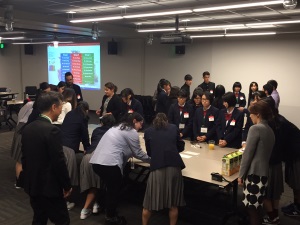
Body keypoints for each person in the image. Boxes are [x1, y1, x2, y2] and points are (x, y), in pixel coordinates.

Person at [90, 112, 151, 225]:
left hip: (97, 162)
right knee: (114, 191)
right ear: (134, 121)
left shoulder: (116, 127)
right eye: (140, 124)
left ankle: (103, 207)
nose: (141, 127)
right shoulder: (131, 132)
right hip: (110, 164)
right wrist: (152, 160)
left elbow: (122, 148)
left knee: (109, 187)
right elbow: (137, 152)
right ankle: (111, 217)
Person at [21, 91, 72, 225]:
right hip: (49, 188)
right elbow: (58, 162)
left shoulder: (28, 128)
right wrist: (67, 185)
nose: (61, 110)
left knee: (39, 219)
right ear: (54, 107)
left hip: (33, 185)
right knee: (62, 221)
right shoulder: (52, 131)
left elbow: (25, 159)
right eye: (61, 106)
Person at [142, 113, 185, 225]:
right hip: (174, 167)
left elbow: (149, 152)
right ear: (167, 121)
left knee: (149, 203)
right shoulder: (174, 128)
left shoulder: (148, 131)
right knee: (173, 203)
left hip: (157, 168)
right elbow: (180, 146)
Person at [238, 100, 275, 225]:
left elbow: (247, 154)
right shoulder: (269, 129)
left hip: (254, 174)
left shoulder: (255, 129)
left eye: (251, 113)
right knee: (257, 207)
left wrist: (241, 175)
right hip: (264, 173)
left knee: (252, 209)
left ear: (258, 114)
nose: (249, 116)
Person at [80, 114, 116, 220]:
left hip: (87, 157)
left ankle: (96, 204)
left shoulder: (96, 131)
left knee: (93, 183)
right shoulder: (113, 133)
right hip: (98, 158)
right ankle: (85, 210)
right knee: (96, 185)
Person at [10, 100, 34, 188]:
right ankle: (18, 182)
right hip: (22, 130)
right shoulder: (30, 105)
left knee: (24, 158)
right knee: (20, 159)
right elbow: (20, 116)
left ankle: (22, 180)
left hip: (27, 130)